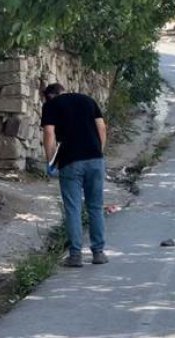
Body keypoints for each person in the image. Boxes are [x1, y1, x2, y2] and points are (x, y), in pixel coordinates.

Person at [41, 83, 109, 267]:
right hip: (95, 159)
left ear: (49, 96)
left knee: (73, 208)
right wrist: (98, 152)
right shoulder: (87, 100)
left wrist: (51, 161)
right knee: (95, 206)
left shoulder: (51, 105)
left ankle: (75, 255)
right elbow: (101, 128)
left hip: (71, 162)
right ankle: (98, 252)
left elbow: (49, 133)